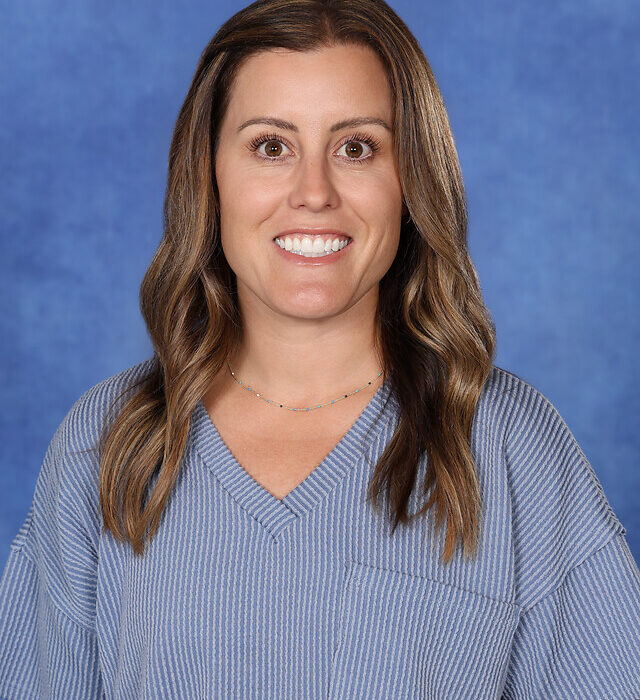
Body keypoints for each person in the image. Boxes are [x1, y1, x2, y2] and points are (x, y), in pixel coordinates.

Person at [1, 0, 639, 697]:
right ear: (209, 175)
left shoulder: (514, 450)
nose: (314, 193)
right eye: (271, 147)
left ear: (411, 179)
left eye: (356, 148)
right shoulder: (105, 444)